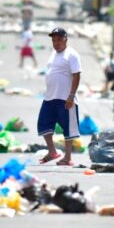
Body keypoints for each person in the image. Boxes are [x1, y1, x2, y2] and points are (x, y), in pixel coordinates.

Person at [37, 27, 82, 166]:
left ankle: (68, 158)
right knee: (43, 124)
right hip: (50, 97)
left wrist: (71, 96)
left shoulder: (72, 54)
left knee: (68, 129)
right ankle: (52, 151)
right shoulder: (53, 54)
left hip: (65, 98)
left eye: (59, 39)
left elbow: (76, 75)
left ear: (66, 39)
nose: (56, 43)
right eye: (53, 40)